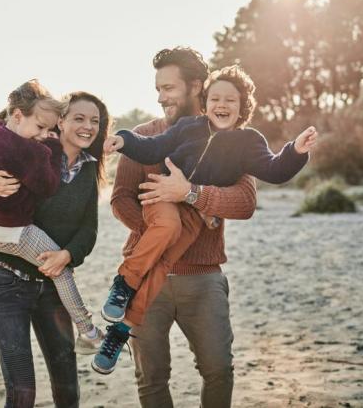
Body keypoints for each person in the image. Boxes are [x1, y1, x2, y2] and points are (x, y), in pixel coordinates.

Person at [92, 65, 316, 373]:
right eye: (215, 99)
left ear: (242, 107)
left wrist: (296, 151)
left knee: (164, 262)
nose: (221, 105)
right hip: (164, 199)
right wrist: (124, 140)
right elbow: (153, 147)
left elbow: (274, 170)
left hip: (195, 219)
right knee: (167, 229)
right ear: (205, 101)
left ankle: (121, 329)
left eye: (230, 100)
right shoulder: (188, 127)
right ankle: (124, 281)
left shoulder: (248, 143)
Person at [105, 46, 254, 407]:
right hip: (145, 281)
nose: (161, 98)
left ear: (196, 87)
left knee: (219, 370)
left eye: (168, 89)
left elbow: (246, 201)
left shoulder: (230, 137)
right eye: (158, 89)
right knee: (151, 378)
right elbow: (121, 198)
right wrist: (161, 233)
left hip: (202, 278)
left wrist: (192, 195)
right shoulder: (143, 137)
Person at [0, 90, 110, 408]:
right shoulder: (28, 148)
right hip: (6, 281)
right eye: (78, 118)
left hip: (53, 286)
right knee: (22, 394)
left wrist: (68, 255)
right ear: (59, 122)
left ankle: (86, 329)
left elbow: (88, 229)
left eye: (95, 121)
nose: (87, 126)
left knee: (68, 390)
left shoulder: (88, 170)